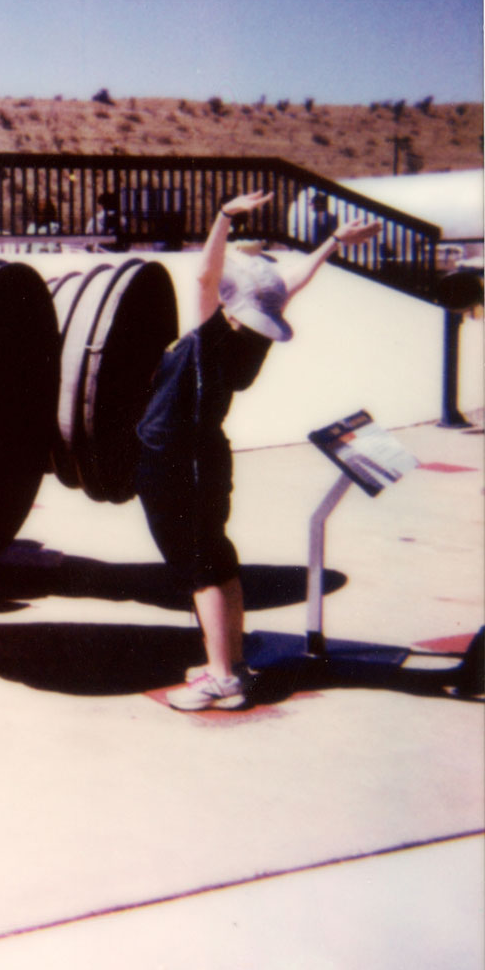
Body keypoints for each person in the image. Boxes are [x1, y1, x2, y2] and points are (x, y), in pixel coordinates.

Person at [133, 189, 381, 711]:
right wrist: (332, 242)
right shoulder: (254, 337)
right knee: (217, 558)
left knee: (200, 567)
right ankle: (231, 660)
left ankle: (221, 678)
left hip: (176, 459)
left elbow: (205, 275)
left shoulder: (211, 336)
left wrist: (223, 217)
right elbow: (289, 285)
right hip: (206, 456)